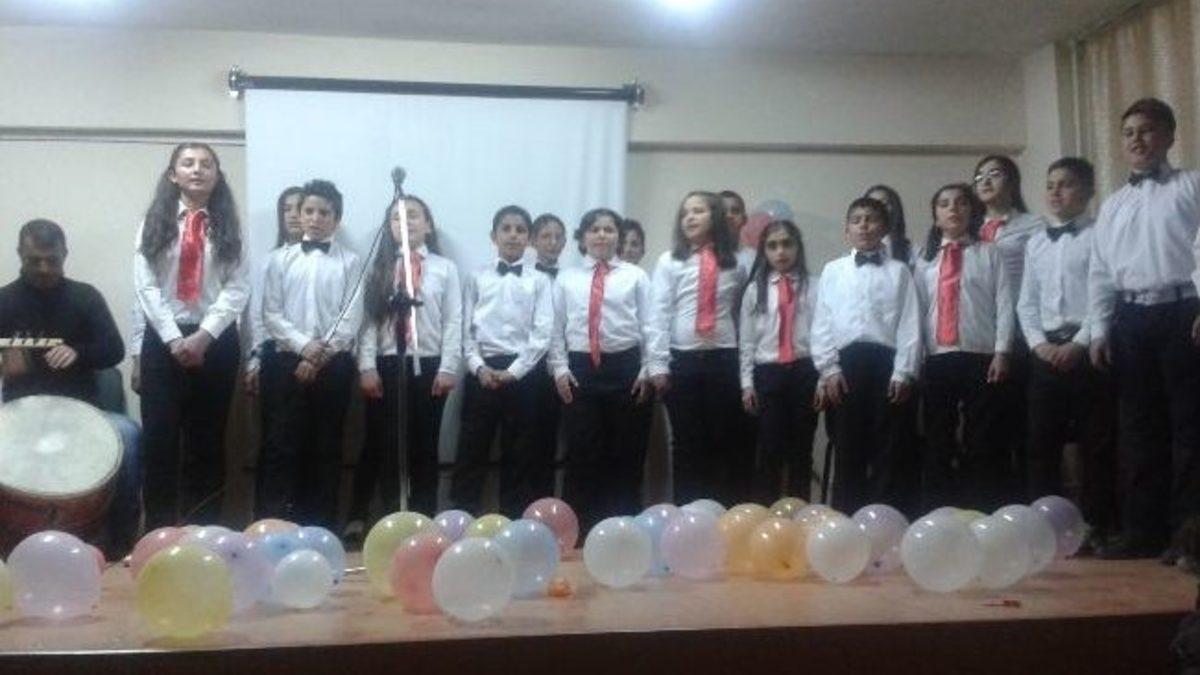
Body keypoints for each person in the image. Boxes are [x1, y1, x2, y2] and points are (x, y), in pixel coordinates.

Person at [1089, 97, 1200, 561]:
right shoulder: (1113, 204)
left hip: (1183, 312)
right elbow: (1100, 270)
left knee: (1189, 427)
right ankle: (1142, 532)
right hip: (1130, 319)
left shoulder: (1192, 185)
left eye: (1148, 130)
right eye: (1129, 132)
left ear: (1170, 136)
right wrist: (1099, 329)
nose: (1137, 140)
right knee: (1138, 429)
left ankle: (1188, 537)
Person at [0, 219, 139, 555]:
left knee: (130, 436)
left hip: (82, 412)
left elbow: (114, 350)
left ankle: (121, 547)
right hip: (19, 413)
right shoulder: (4, 300)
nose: (44, 268)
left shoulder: (85, 297)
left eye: (52, 260)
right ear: (20, 254)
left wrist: (79, 353)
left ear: (65, 254)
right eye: (35, 260)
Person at [134, 142, 248, 528]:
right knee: (160, 440)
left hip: (215, 342)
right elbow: (145, 285)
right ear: (173, 175)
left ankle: (205, 530)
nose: (197, 169)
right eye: (188, 163)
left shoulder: (231, 227)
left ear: (217, 175)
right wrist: (172, 337)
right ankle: (159, 530)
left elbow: (238, 287)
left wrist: (203, 336)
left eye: (206, 164)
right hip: (163, 341)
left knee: (208, 441)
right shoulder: (153, 223)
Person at [346, 195, 461, 536]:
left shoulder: (445, 268)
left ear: (428, 225)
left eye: (413, 215)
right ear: (389, 227)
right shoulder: (379, 268)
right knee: (384, 442)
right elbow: (368, 321)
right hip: (386, 363)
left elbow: (453, 319)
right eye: (397, 218)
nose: (405, 222)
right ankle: (388, 520)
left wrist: (448, 366)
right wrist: (367, 366)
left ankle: (423, 520)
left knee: (425, 443)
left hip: (429, 364)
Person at [1018, 158, 1116, 553]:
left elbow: (1104, 294)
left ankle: (1097, 525)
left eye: (1067, 184)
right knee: (1041, 443)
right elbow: (1027, 302)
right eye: (1051, 184)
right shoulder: (1036, 242)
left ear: (1088, 191)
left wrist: (1079, 342)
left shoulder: (1100, 236)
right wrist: (1039, 345)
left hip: (1088, 350)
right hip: (1045, 352)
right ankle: (1042, 527)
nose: (1056, 192)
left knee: (1097, 443)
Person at [811, 197, 921, 515]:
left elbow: (909, 323)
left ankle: (884, 519)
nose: (864, 225)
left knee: (888, 447)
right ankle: (846, 517)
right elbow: (822, 322)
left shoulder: (900, 272)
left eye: (871, 219)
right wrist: (829, 369)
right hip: (846, 367)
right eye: (856, 220)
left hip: (887, 365)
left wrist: (904, 372)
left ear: (884, 228)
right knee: (848, 445)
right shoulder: (833, 270)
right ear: (847, 230)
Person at [261, 179, 362, 528]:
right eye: (309, 211)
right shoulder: (279, 259)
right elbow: (271, 313)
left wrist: (318, 356)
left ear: (336, 218)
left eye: (324, 212)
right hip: (285, 361)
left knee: (326, 445)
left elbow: (350, 316)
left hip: (333, 363)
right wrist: (304, 347)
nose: (316, 218)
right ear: (300, 215)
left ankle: (322, 527)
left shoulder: (351, 262)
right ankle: (278, 526)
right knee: (282, 445)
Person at [551, 208, 654, 531]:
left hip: (627, 369)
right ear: (582, 237)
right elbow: (556, 328)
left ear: (618, 237)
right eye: (594, 229)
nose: (601, 235)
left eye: (609, 229)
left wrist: (647, 368)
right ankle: (581, 530)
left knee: (625, 453)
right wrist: (559, 368)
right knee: (582, 452)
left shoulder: (635, 276)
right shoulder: (567, 278)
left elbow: (650, 325)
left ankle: (624, 529)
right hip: (580, 369)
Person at [915, 184, 1014, 512]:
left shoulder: (989, 252)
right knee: (938, 437)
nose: (953, 209)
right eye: (944, 204)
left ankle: (980, 509)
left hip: (980, 354)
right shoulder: (925, 258)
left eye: (960, 203)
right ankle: (937, 511)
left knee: (981, 438)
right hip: (937, 357)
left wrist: (1002, 351)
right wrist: (917, 359)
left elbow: (1004, 303)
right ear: (936, 216)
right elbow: (916, 310)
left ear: (972, 211)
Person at [451, 205, 554, 516]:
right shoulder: (475, 277)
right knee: (471, 448)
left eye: (520, 230)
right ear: (493, 236)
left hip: (524, 373)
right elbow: (465, 328)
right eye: (506, 229)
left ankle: (514, 520)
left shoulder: (540, 280)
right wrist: (478, 366)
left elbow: (542, 332)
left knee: (520, 451)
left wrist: (514, 372)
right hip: (481, 370)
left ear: (529, 238)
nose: (513, 235)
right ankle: (463, 517)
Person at [649, 191, 748, 506]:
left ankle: (719, 514)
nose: (689, 217)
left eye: (698, 211)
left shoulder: (736, 263)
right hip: (683, 360)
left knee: (723, 440)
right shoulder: (669, 261)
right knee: (686, 442)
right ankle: (687, 514)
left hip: (724, 359)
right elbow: (658, 313)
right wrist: (658, 364)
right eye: (685, 213)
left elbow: (742, 315)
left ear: (715, 216)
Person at [738, 219, 819, 502]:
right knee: (769, 448)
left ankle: (800, 512)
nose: (780, 251)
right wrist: (747, 383)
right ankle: (766, 513)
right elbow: (747, 340)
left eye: (787, 244)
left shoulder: (814, 286)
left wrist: (823, 376)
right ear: (764, 251)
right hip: (768, 372)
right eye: (772, 246)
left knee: (801, 449)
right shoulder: (755, 290)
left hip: (805, 371)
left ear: (798, 247)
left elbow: (822, 333)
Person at [249, 186, 304, 518]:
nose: (294, 215)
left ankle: (305, 518)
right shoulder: (269, 260)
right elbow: (259, 314)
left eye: (300, 207)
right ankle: (269, 518)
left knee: (310, 443)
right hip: (277, 357)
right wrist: (255, 359)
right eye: (287, 209)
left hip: (319, 358)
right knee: (276, 441)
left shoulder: (337, 260)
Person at [720, 190, 756, 275]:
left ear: (744, 219)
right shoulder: (700, 257)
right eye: (723, 212)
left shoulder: (754, 257)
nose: (729, 216)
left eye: (735, 211)